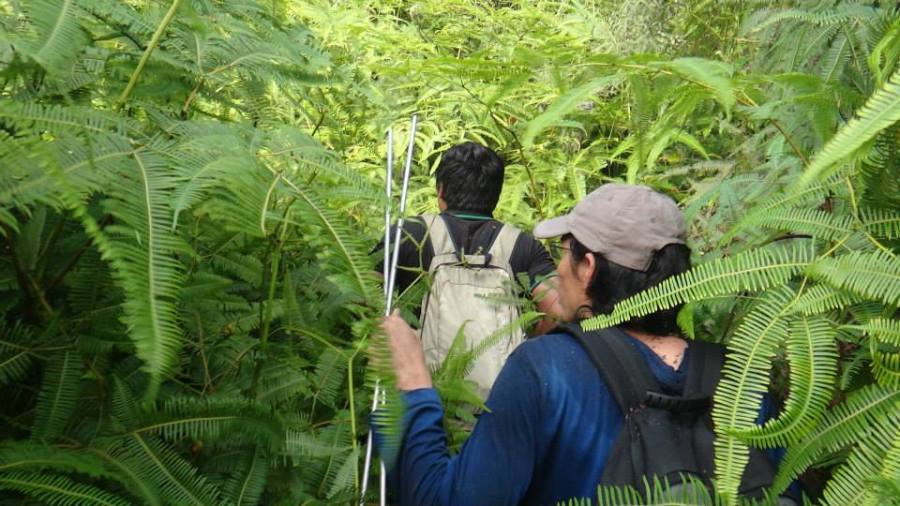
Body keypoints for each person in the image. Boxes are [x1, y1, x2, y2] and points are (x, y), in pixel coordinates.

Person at [376, 184, 787, 505]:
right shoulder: (742, 378)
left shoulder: (544, 370)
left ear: (588, 268)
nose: (558, 267)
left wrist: (413, 387)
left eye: (564, 251)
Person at [377, 141, 562, 396]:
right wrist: (526, 350)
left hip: (418, 393)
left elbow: (364, 296)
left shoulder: (408, 233)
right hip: (498, 400)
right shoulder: (522, 245)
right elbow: (558, 311)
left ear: (441, 190)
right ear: (496, 193)